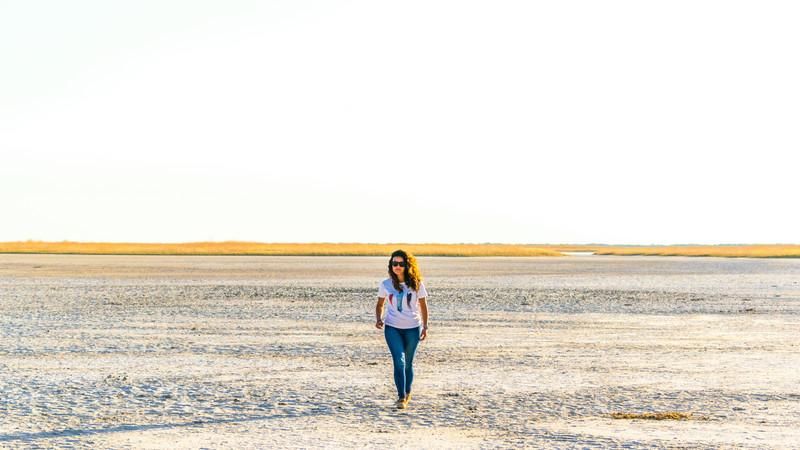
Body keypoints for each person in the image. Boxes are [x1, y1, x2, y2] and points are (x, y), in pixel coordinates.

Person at [375, 249, 429, 409]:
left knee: (408, 364)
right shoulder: (385, 284)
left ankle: (407, 392)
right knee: (399, 361)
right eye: (394, 263)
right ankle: (401, 398)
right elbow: (380, 304)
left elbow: (423, 306)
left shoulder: (417, 284)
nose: (397, 266)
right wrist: (379, 319)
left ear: (407, 265)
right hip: (392, 328)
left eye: (400, 264)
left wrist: (425, 326)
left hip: (413, 328)